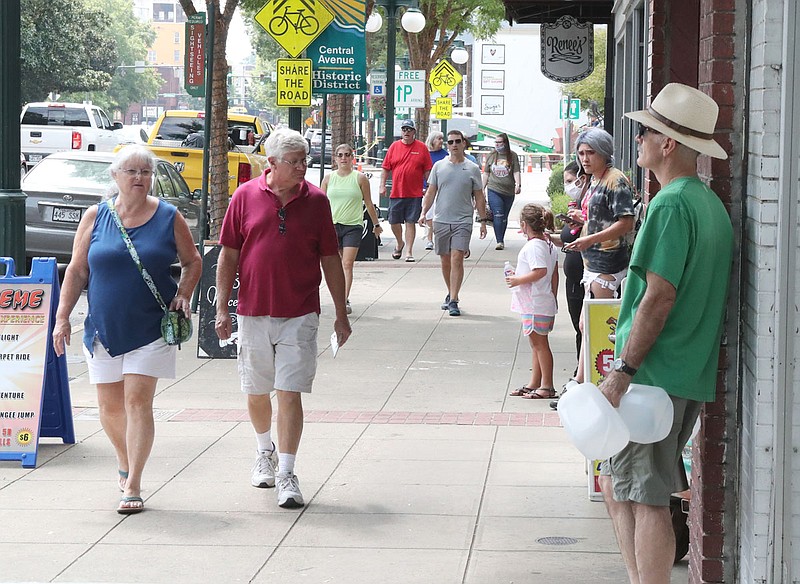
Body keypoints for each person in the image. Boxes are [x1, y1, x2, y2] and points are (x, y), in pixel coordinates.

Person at [598, 83, 733, 584]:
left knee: (645, 496)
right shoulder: (705, 203)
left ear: (669, 143)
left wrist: (622, 373)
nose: (637, 141)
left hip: (653, 376)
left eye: (645, 132)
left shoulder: (672, 204)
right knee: (619, 484)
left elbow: (657, 298)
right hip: (678, 373)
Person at [51, 145, 202, 515]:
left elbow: (193, 261)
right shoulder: (95, 216)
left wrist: (183, 294)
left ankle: (133, 482)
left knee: (137, 402)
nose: (139, 178)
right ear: (115, 177)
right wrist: (61, 317)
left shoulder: (169, 216)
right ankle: (124, 458)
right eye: (131, 171)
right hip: (103, 327)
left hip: (151, 326)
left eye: (145, 172)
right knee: (110, 407)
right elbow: (77, 270)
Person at [214, 128, 352, 509]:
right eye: (294, 162)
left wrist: (341, 313)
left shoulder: (318, 202)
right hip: (253, 311)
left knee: (290, 392)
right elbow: (228, 255)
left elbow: (330, 260)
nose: (302, 168)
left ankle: (288, 472)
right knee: (256, 391)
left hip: (300, 313)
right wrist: (222, 306)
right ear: (271, 164)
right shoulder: (244, 197)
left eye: (304, 161)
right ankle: (264, 451)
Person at [562, 128, 635, 389]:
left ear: (604, 152)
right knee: (586, 323)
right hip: (591, 263)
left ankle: (590, 381)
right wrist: (581, 222)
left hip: (607, 263)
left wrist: (591, 239)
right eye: (581, 153)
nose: (585, 158)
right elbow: (600, 216)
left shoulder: (615, 180)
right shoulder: (594, 179)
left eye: (590, 152)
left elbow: (626, 222)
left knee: (597, 325)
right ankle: (581, 379)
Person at [419, 129, 488, 317]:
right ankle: (450, 292)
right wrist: (424, 212)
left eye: (458, 141)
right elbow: (431, 192)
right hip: (441, 219)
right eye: (450, 142)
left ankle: (454, 300)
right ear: (447, 145)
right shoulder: (439, 167)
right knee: (445, 259)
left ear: (464, 143)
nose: (454, 145)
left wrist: (482, 221)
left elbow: (479, 197)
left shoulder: (472, 168)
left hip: (463, 220)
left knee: (457, 256)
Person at [321, 143, 382, 314]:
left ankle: (343, 300)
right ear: (335, 158)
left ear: (352, 157)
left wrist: (376, 225)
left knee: (347, 263)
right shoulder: (328, 179)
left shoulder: (360, 178)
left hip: (353, 226)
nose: (343, 158)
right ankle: (337, 295)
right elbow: (320, 205)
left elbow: (368, 203)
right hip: (332, 226)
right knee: (335, 265)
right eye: (340, 155)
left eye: (347, 154)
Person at [506, 205, 559, 399]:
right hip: (541, 301)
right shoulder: (547, 244)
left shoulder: (535, 246)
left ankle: (547, 385)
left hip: (535, 302)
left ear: (523, 225)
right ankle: (535, 382)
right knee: (536, 343)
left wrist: (518, 280)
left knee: (540, 344)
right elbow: (554, 274)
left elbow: (540, 271)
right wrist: (553, 298)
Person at [380, 119, 433, 263]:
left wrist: (429, 187)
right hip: (397, 192)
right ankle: (399, 243)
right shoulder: (394, 147)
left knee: (411, 222)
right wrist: (382, 185)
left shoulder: (421, 148)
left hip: (414, 193)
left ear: (414, 132)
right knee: (393, 221)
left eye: (409, 129)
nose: (406, 132)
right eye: (404, 129)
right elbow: (385, 168)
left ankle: (409, 251)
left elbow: (428, 170)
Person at [482, 132, 522, 250]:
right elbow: (486, 173)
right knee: (498, 214)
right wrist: (482, 189)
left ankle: (501, 236)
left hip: (508, 191)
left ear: (505, 143)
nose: (497, 145)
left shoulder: (512, 156)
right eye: (496, 142)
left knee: (504, 217)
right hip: (494, 189)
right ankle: (499, 241)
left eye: (500, 142)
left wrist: (518, 185)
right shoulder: (491, 155)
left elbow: (516, 171)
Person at [422, 131, 447, 251]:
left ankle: (439, 238)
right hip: (427, 189)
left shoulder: (445, 155)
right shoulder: (425, 154)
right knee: (429, 214)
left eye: (442, 139)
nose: (441, 141)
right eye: (438, 139)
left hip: (442, 188)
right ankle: (429, 239)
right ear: (432, 140)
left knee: (440, 214)